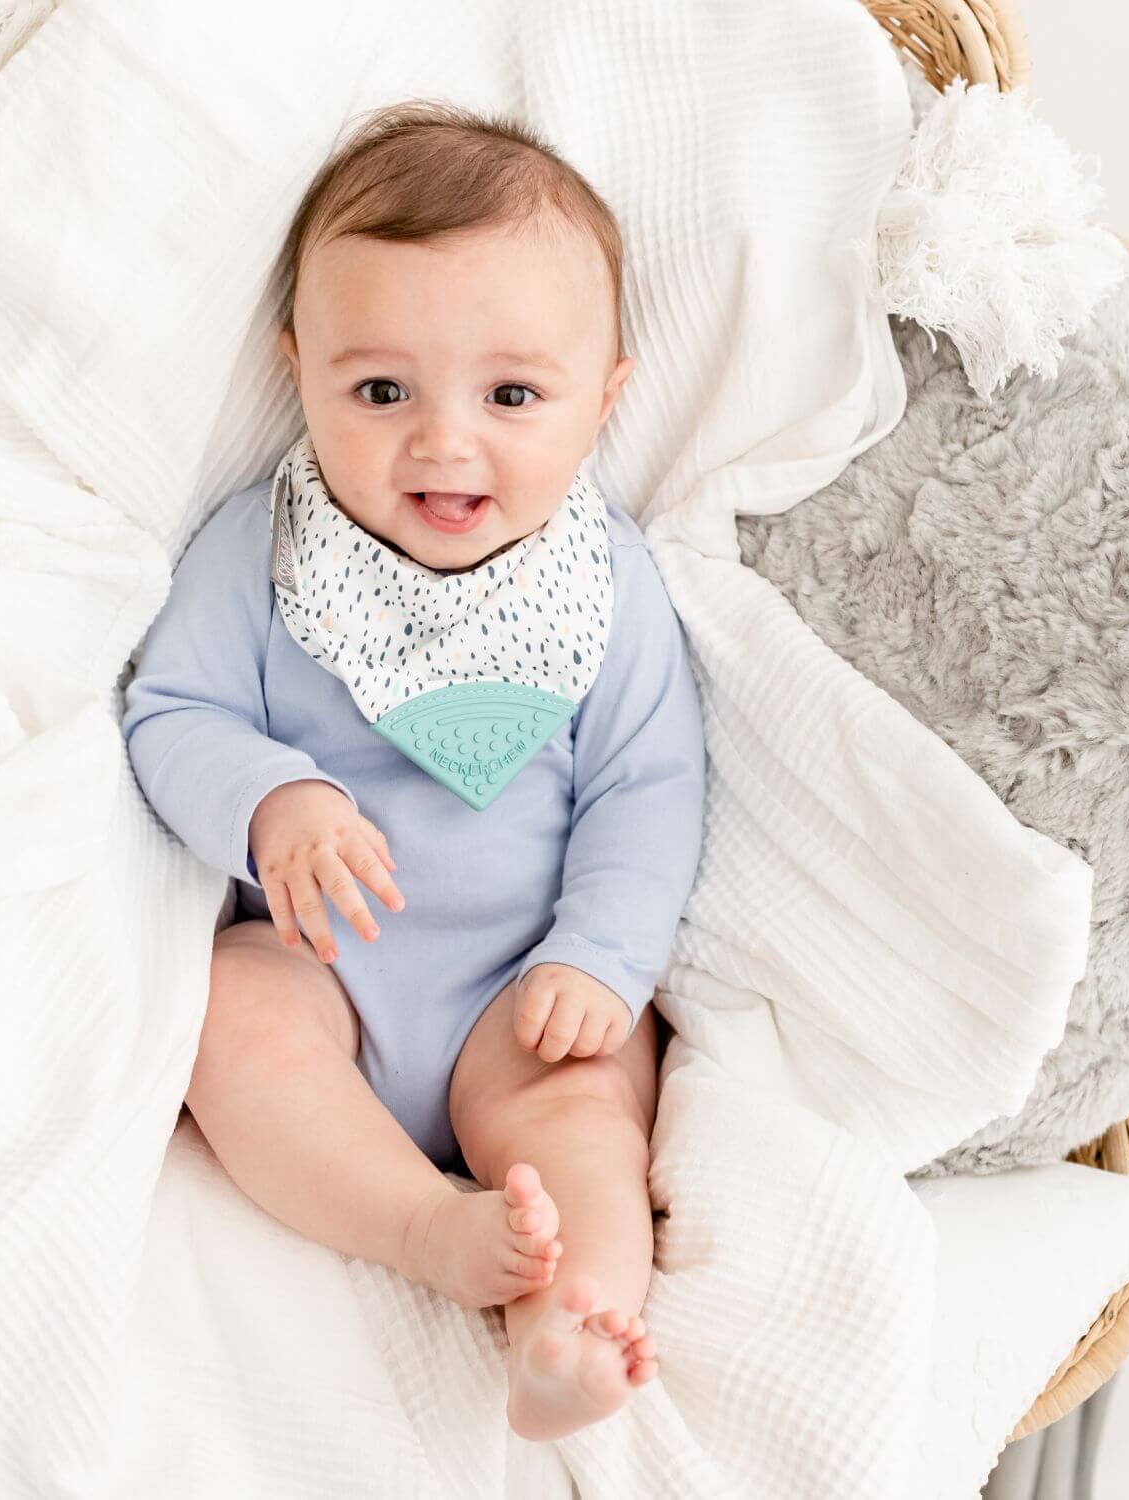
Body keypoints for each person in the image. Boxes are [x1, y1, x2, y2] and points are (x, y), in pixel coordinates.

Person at [121, 98, 706, 1441]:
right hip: (321, 969)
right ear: (300, 370)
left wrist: (601, 957)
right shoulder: (264, 548)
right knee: (228, 1013)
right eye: (381, 391)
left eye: (512, 396)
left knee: (589, 1114)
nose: (444, 443)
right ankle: (421, 1228)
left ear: (605, 396)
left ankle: (570, 1323)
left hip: (523, 988)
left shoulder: (606, 585)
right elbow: (173, 714)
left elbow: (649, 790)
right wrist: (273, 796)